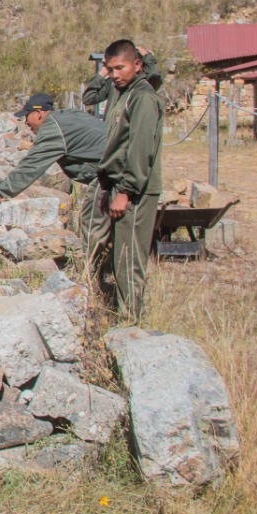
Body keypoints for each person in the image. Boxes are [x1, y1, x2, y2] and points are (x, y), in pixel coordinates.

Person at [0, 94, 108, 256]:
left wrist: (0, 192)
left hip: (111, 173)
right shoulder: (69, 115)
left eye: (27, 116)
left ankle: (92, 268)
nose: (25, 122)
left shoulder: (52, 129)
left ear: (39, 113)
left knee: (91, 223)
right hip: (124, 163)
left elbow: (31, 166)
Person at [95, 39, 164, 321]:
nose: (114, 75)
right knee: (121, 255)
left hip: (134, 191)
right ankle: (127, 314)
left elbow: (140, 148)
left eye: (119, 68)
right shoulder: (124, 93)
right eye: (110, 69)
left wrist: (125, 190)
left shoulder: (143, 97)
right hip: (121, 185)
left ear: (137, 65)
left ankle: (131, 319)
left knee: (129, 259)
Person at [82, 44, 162, 113]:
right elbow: (88, 98)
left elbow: (154, 76)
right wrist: (101, 74)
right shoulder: (113, 83)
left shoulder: (144, 84)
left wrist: (147, 56)